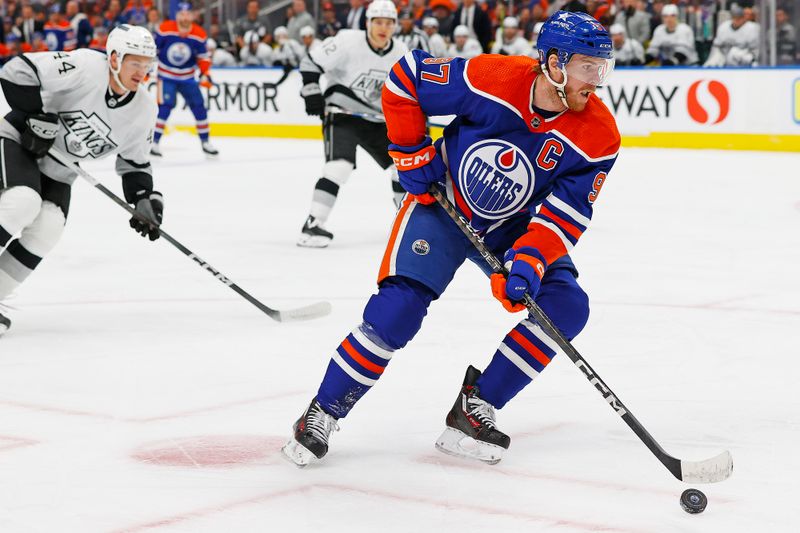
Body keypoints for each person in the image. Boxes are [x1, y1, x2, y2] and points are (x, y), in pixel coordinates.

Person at [282, 10, 620, 467]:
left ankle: (475, 404)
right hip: (441, 206)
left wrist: (529, 261)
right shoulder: (494, 76)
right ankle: (322, 411)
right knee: (397, 310)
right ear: (554, 62)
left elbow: (566, 214)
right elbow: (407, 78)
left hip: (510, 227)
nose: (596, 81)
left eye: (602, 68)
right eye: (587, 67)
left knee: (566, 307)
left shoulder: (599, 135)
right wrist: (408, 151)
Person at [0, 25, 163, 336]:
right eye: (135, 63)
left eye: (147, 65)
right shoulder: (86, 66)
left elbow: (134, 162)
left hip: (59, 168)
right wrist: (36, 116)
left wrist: (143, 197)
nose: (142, 72)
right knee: (22, 201)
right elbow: (17, 70)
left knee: (48, 227)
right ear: (114, 58)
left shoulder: (144, 109)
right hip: (17, 141)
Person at [295, 0, 407, 248]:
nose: (383, 28)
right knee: (339, 167)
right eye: (378, 22)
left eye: (389, 23)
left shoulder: (401, 52)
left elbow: (411, 93)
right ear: (367, 23)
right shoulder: (346, 41)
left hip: (378, 121)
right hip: (343, 115)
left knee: (403, 168)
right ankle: (313, 224)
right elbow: (310, 63)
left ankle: (406, 224)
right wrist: (312, 91)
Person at [152, 2, 218, 158]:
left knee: (199, 106)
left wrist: (205, 72)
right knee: (165, 107)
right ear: (176, 15)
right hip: (166, 75)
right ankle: (154, 143)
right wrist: (146, 70)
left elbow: (203, 58)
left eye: (188, 14)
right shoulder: (165, 29)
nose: (185, 17)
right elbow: (152, 50)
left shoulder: (199, 33)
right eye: (181, 14)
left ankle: (206, 142)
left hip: (188, 77)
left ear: (193, 15)